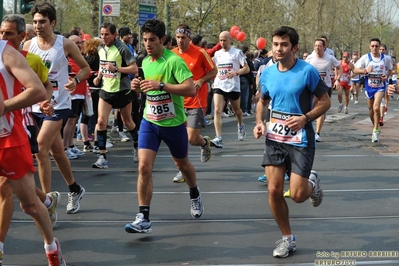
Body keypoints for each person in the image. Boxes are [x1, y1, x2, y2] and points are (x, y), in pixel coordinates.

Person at [253, 26, 330, 258]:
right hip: (275, 139)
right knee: (274, 189)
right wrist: (259, 122)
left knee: (297, 195)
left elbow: (325, 102)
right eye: (276, 44)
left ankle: (312, 183)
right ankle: (287, 238)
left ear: (294, 47)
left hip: (301, 140)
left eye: (284, 44)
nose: (278, 49)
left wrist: (305, 118)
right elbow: (262, 103)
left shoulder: (307, 72)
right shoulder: (267, 72)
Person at [125, 19, 203, 234]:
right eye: (145, 40)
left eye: (152, 40)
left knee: (183, 165)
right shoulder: (145, 61)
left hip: (174, 124)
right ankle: (144, 217)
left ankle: (194, 193)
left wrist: (161, 85)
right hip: (150, 122)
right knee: (143, 167)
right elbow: (147, 88)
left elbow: (190, 90)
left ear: (163, 40)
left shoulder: (174, 61)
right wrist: (138, 87)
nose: (148, 44)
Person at [0, 38, 66, 264]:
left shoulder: (6, 53)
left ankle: (52, 248)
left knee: (29, 205)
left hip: (8, 138)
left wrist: (5, 106)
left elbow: (38, 90)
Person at [23, 2, 89, 216]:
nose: (38, 25)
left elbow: (86, 68)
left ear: (52, 22)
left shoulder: (65, 43)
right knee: (57, 151)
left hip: (59, 104)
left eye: (42, 22)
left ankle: (47, 202)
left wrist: (75, 79)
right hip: (35, 104)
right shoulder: (28, 45)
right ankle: (75, 188)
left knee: (41, 148)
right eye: (35, 22)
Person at [171, 24, 217, 182]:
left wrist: (201, 80)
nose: (180, 41)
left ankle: (204, 143)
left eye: (183, 38)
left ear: (189, 38)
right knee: (178, 139)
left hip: (196, 102)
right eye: (177, 37)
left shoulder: (200, 53)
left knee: (191, 138)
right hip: (176, 102)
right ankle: (181, 170)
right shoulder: (172, 54)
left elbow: (214, 71)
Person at [92, 22, 138, 168]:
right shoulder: (100, 48)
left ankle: (137, 146)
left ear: (114, 35)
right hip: (106, 90)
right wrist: (99, 76)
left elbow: (134, 69)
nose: (104, 37)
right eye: (102, 34)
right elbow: (102, 64)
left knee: (127, 121)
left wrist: (116, 68)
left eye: (107, 34)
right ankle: (102, 156)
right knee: (101, 122)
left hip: (122, 90)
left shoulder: (122, 48)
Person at [210, 31, 250, 148]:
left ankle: (240, 125)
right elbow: (214, 70)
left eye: (225, 40)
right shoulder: (217, 54)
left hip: (233, 86)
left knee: (237, 110)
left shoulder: (237, 53)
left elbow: (246, 68)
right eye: (221, 40)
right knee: (217, 109)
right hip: (219, 85)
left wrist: (235, 72)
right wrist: (213, 81)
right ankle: (218, 138)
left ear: (230, 40)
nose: (223, 43)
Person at [353, 38, 392, 142]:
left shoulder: (385, 58)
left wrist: (386, 76)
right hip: (369, 87)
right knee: (371, 110)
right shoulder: (366, 58)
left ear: (379, 47)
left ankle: (375, 131)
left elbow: (391, 69)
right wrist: (364, 70)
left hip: (380, 86)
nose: (375, 48)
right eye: (373, 46)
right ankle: (376, 126)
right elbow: (355, 70)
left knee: (376, 108)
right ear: (370, 47)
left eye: (376, 46)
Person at [305, 38, 341, 142]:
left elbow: (339, 67)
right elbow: (304, 70)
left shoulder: (329, 57)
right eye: (316, 46)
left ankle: (317, 133)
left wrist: (337, 79)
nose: (317, 48)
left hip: (325, 86)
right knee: (310, 108)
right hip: (312, 87)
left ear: (324, 47)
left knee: (320, 110)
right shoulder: (310, 58)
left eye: (320, 46)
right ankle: (308, 128)